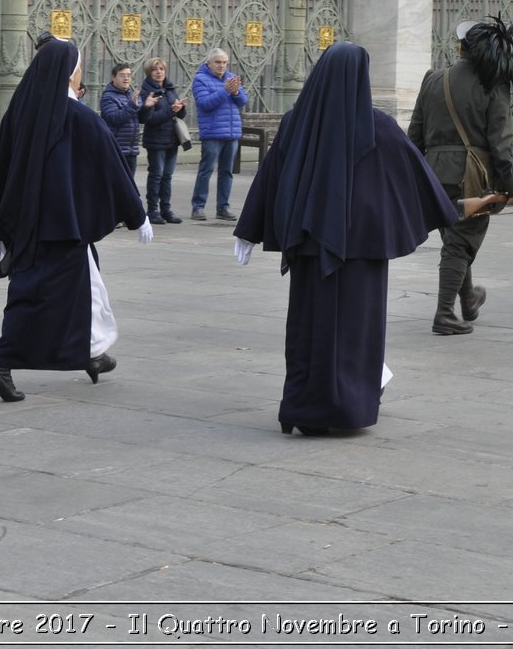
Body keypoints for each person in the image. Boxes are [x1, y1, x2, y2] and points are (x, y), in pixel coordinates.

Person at [233, 43, 466, 435]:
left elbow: (269, 179)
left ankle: (303, 406)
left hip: (309, 249)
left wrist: (248, 230)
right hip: (362, 252)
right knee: (356, 332)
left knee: (310, 330)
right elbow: (416, 179)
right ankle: (349, 408)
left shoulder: (296, 122)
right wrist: (450, 209)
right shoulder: (379, 127)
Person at [0, 39, 153, 402]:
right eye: (79, 66)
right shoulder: (80, 117)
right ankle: (1, 368)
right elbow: (113, 169)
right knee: (36, 298)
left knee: (86, 290)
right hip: (60, 228)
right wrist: (137, 215)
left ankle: (91, 355)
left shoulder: (21, 112)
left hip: (28, 224)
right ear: (70, 73)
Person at [408, 17, 513, 335]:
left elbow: (414, 136)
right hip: (473, 177)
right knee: (460, 244)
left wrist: (415, 178)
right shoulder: (493, 85)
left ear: (460, 48)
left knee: (456, 240)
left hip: (434, 176)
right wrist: (512, 187)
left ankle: (468, 300)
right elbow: (502, 142)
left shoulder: (433, 79)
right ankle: (444, 314)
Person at [190, 47, 248, 221]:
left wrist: (236, 92)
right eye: (218, 62)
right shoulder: (201, 79)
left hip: (231, 132)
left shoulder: (231, 78)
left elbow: (243, 101)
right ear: (209, 63)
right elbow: (205, 103)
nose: (221, 66)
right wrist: (225, 91)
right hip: (213, 132)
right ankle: (198, 207)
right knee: (206, 170)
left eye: (224, 62)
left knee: (227, 172)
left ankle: (223, 207)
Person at [139, 56, 187, 225]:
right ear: (148, 72)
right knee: (156, 175)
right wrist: (171, 111)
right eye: (154, 69)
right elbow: (148, 119)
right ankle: (152, 210)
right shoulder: (147, 91)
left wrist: (181, 108)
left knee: (167, 176)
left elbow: (180, 115)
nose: (158, 72)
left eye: (161, 69)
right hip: (155, 139)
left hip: (172, 139)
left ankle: (166, 209)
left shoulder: (170, 88)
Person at [98, 62, 145, 179]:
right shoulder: (108, 97)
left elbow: (140, 119)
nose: (126, 78)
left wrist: (147, 106)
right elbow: (115, 118)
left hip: (131, 150)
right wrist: (133, 106)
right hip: (116, 150)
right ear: (113, 78)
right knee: (117, 185)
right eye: (122, 75)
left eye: (129, 75)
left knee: (130, 186)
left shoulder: (131, 95)